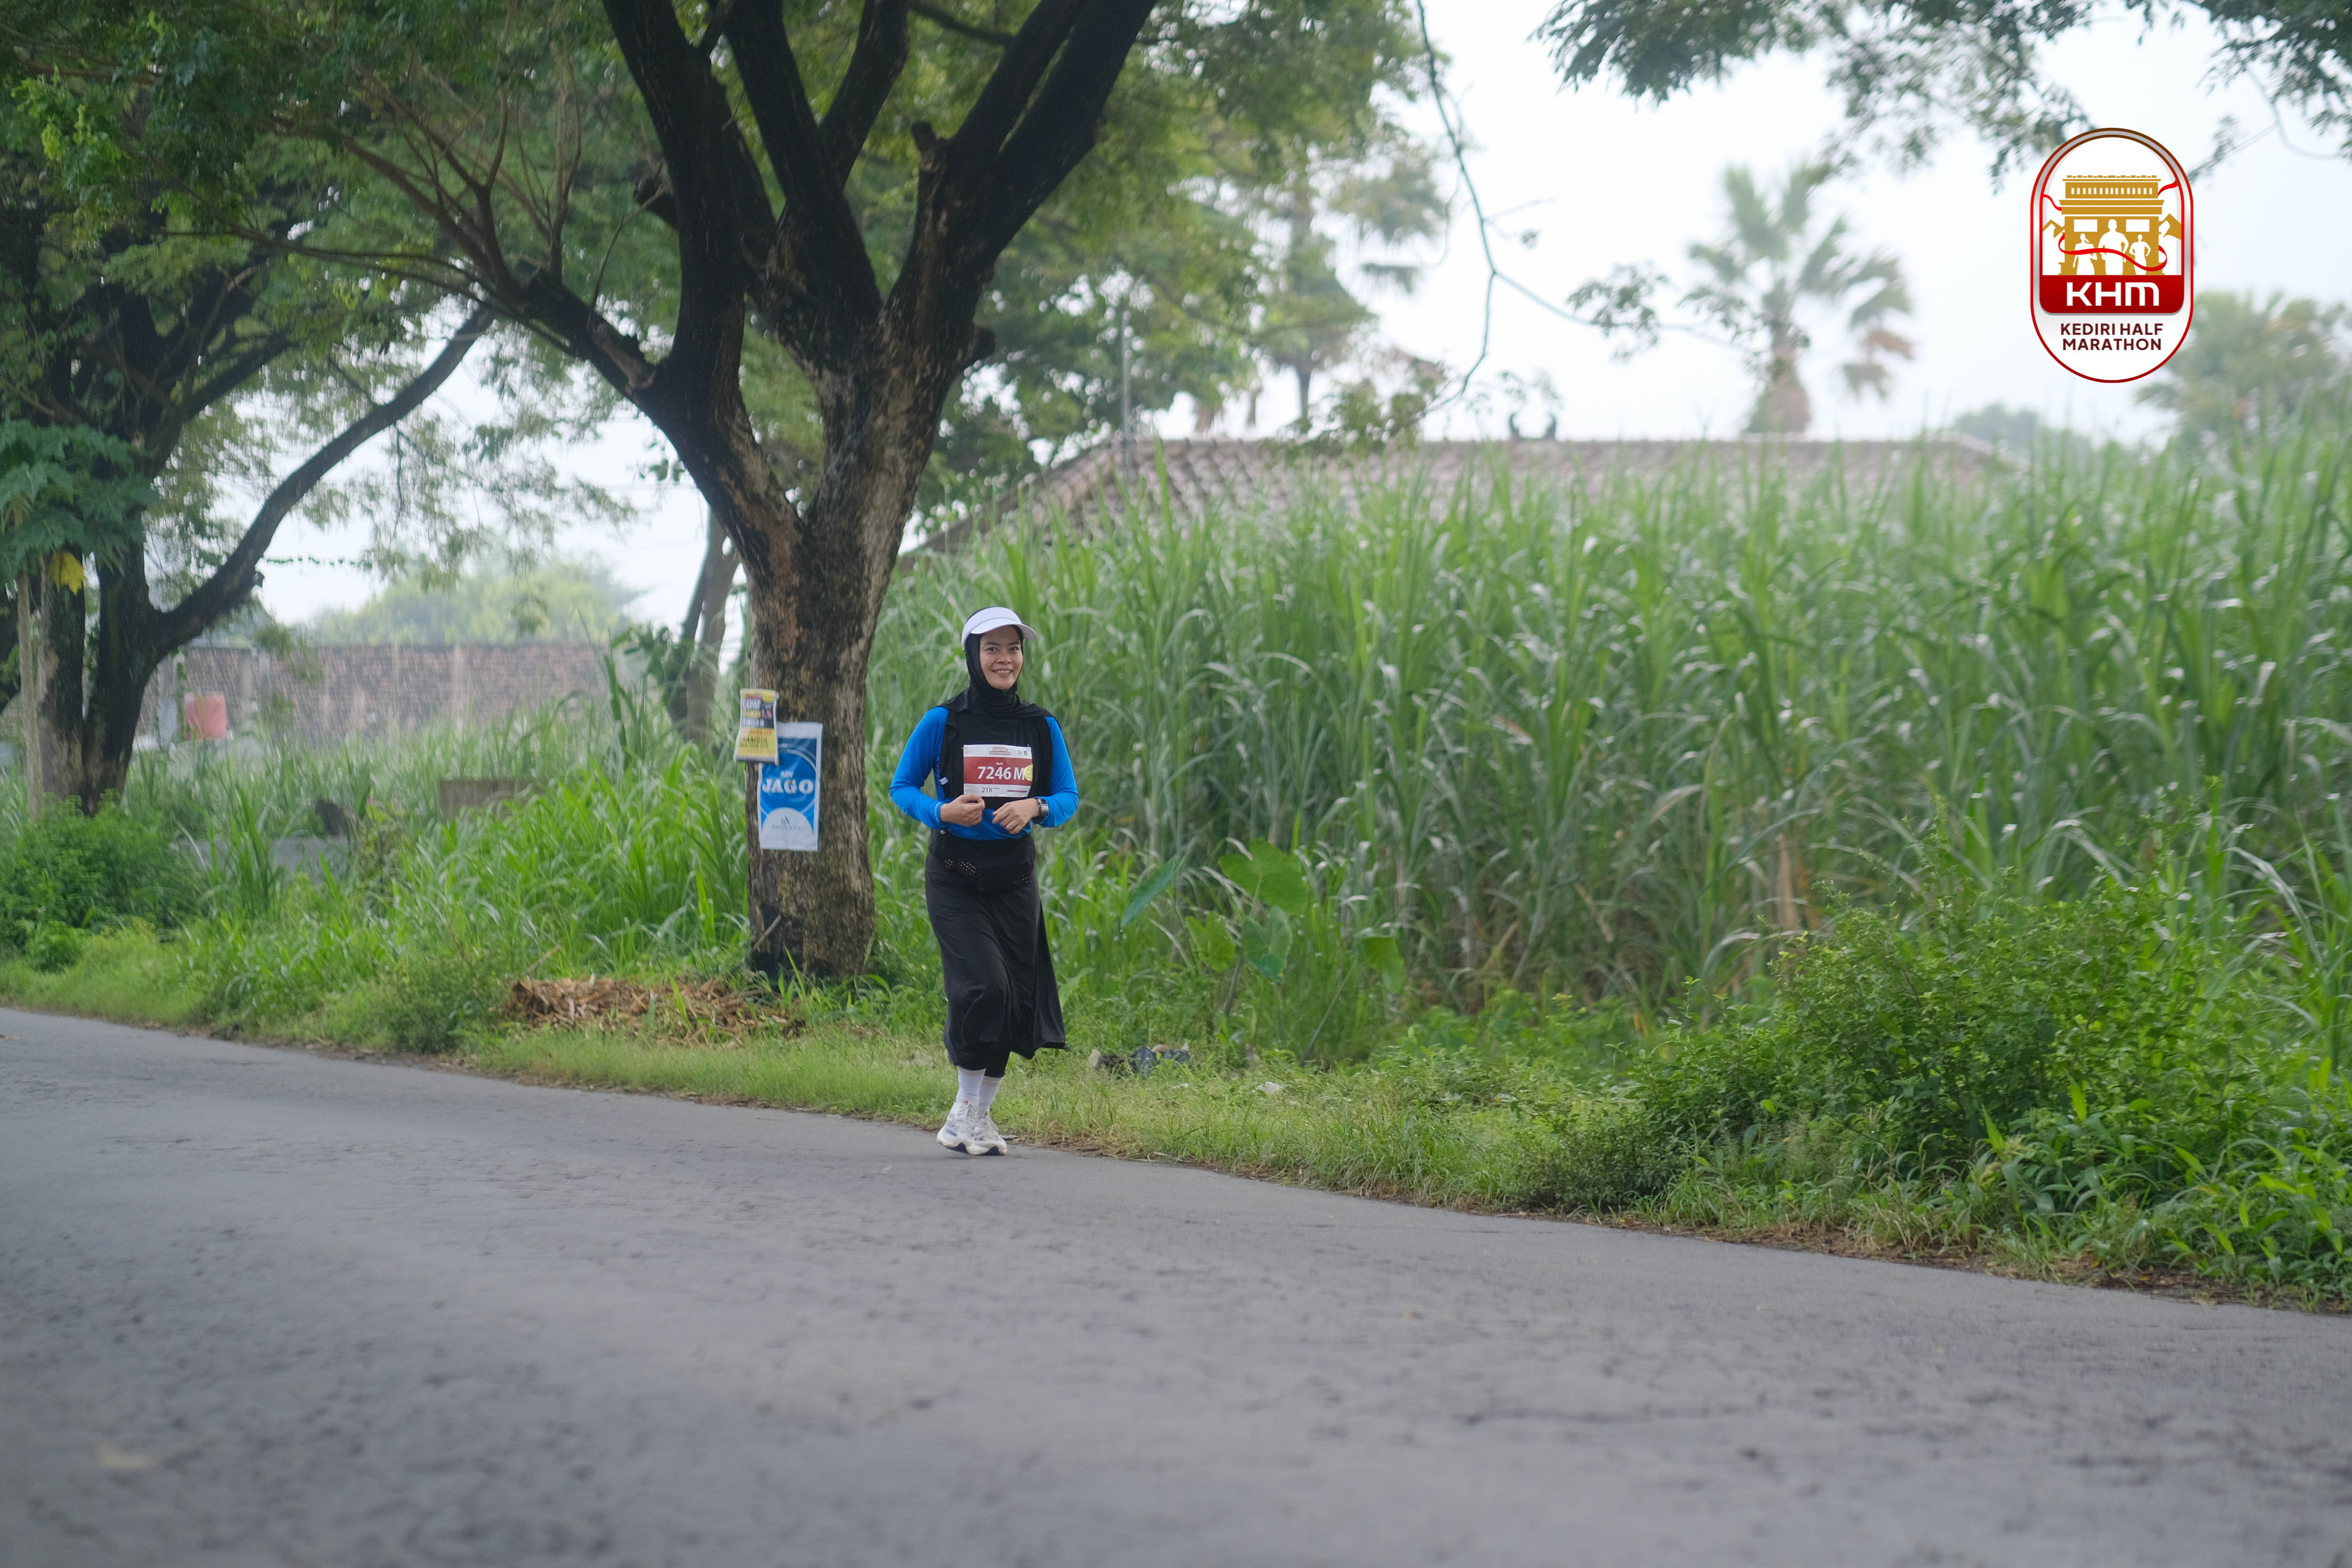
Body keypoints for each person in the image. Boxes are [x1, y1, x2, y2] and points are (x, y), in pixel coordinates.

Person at [887, 607, 1080, 1155]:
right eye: (992, 648)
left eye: (1013, 648)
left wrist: (1037, 807)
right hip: (956, 877)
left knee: (1014, 999)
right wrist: (941, 812)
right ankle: (961, 1110)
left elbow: (1068, 796)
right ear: (973, 655)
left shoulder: (1040, 726)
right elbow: (903, 787)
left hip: (1015, 881)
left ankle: (978, 1118)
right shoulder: (943, 722)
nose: (1004, 659)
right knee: (984, 987)